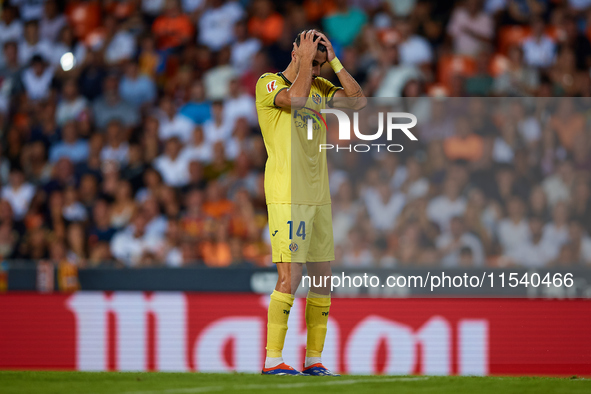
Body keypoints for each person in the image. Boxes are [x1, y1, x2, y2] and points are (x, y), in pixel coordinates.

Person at [256, 29, 366, 376]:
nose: (317, 71)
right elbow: (296, 98)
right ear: (296, 52)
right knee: (290, 277)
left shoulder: (320, 85)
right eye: (314, 63)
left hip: (319, 197)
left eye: (320, 65)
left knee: (322, 279)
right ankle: (273, 358)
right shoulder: (268, 83)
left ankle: (314, 359)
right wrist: (306, 62)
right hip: (287, 194)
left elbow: (358, 101)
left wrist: (333, 60)